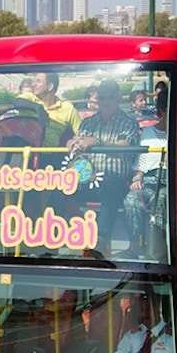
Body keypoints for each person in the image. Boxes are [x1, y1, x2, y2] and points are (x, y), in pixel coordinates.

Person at [69, 79, 143, 245]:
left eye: (110, 97)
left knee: (109, 186)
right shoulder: (88, 123)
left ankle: (101, 241)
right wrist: (71, 145)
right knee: (59, 189)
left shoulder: (128, 121)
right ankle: (51, 240)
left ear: (118, 98)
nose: (106, 101)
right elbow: (77, 147)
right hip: (88, 179)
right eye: (102, 98)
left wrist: (96, 142)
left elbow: (122, 149)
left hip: (116, 179)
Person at [100, 290, 175, 353]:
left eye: (147, 310)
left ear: (158, 310)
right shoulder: (132, 334)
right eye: (141, 310)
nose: (144, 314)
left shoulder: (172, 335)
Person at [27, 71, 79, 148]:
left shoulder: (68, 109)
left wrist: (71, 142)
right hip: (20, 154)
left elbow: (81, 133)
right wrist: (36, 107)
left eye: (38, 81)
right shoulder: (29, 98)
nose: (33, 84)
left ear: (50, 86)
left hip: (49, 156)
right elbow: (16, 102)